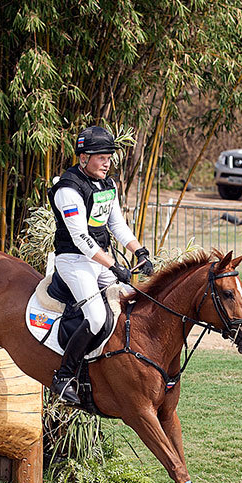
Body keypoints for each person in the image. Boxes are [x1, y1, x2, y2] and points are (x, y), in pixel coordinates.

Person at [47, 125, 154, 405]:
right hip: (73, 261)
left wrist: (139, 250)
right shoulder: (67, 190)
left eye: (109, 157)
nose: (108, 163)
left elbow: (116, 224)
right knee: (95, 317)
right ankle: (64, 376)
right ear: (83, 158)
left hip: (98, 260)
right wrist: (114, 266)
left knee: (131, 301)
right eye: (101, 158)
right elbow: (81, 239)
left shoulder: (108, 184)